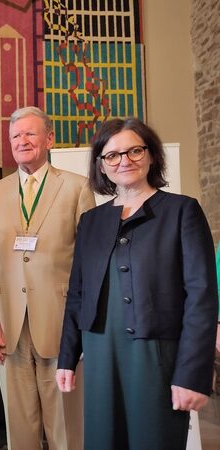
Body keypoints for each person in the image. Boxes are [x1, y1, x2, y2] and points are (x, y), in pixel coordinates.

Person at [56, 118, 218, 450]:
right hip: (100, 355)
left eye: (134, 150)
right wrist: (67, 356)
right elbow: (78, 293)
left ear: (152, 156)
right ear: (101, 166)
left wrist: (192, 375)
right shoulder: (91, 222)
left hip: (156, 358)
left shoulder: (182, 211)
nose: (124, 160)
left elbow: (202, 297)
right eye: (112, 155)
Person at [0, 106, 95, 450]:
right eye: (15, 136)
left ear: (49, 139)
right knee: (18, 427)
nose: (22, 141)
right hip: (7, 327)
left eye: (30, 133)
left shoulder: (77, 188)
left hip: (62, 324)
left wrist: (81, 321)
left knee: (66, 427)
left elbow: (89, 262)